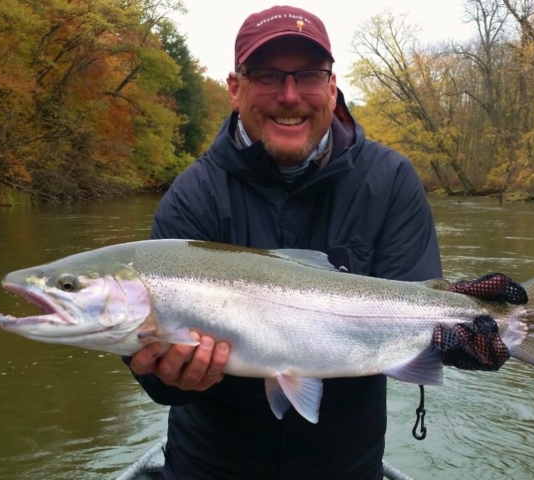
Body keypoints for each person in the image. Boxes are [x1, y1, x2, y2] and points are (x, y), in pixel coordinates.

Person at [123, 5, 504, 479]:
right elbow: (156, 374)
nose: (289, 95)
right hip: (210, 465)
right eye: (266, 75)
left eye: (308, 75)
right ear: (234, 89)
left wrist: (461, 334)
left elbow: (416, 312)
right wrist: (168, 379)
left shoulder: (389, 182)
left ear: (331, 85)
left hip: (346, 466)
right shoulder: (192, 195)